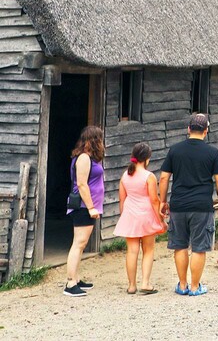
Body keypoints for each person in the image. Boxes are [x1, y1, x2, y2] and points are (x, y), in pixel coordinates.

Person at [158, 114, 218, 296]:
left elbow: (164, 177)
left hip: (179, 204)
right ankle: (195, 287)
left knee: (180, 245)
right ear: (206, 131)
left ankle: (182, 285)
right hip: (201, 206)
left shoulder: (175, 150)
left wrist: (162, 201)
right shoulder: (212, 153)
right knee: (199, 247)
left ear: (188, 129)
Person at [113, 142, 166, 295]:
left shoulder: (125, 175)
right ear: (147, 158)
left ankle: (131, 285)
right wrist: (160, 220)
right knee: (148, 250)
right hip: (146, 215)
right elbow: (154, 200)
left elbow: (122, 199)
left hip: (130, 214)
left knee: (131, 251)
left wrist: (124, 216)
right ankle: (145, 283)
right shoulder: (149, 176)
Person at [63, 126, 105, 297]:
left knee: (81, 244)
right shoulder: (84, 158)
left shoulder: (87, 158)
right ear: (94, 140)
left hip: (86, 206)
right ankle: (70, 283)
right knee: (78, 243)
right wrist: (90, 207)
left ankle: (76, 278)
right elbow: (81, 184)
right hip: (82, 207)